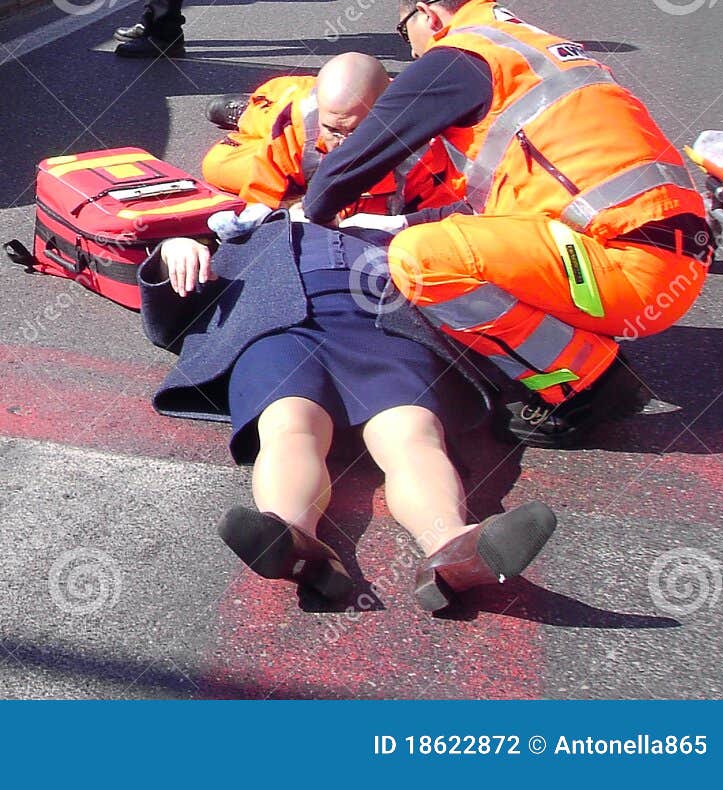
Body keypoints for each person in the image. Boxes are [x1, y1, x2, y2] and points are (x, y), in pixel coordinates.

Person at [303, 0, 712, 447]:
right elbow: (487, 210)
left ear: (428, 16)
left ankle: (588, 382)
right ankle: (582, 345)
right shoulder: (536, 54)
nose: (409, 49)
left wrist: (312, 223)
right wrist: (394, 222)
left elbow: (351, 162)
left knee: (421, 261)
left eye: (402, 31)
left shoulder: (459, 56)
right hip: (662, 252)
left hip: (627, 267)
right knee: (437, 240)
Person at [144, 215, 558, 612]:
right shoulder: (244, 224)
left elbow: (477, 245)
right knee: (289, 423)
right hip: (278, 326)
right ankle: (291, 535)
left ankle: (454, 547)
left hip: (387, 325)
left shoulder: (404, 222)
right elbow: (171, 307)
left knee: (413, 432)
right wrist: (173, 247)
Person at [201, 54, 464, 220]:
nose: (345, 145)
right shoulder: (299, 124)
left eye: (357, 132)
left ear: (386, 116)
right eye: (334, 132)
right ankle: (249, 111)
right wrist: (283, 213)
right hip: (285, 108)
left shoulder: (423, 150)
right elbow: (258, 202)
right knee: (216, 167)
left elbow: (442, 219)